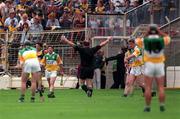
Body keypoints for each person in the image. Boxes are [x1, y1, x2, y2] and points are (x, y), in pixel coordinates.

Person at [136, 24, 171, 112]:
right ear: (157, 31)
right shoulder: (161, 39)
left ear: (149, 31)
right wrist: (160, 32)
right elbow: (168, 38)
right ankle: (162, 105)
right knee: (161, 87)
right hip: (159, 64)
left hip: (149, 64)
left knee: (148, 87)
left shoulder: (145, 40)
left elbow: (137, 41)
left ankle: (148, 107)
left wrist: (146, 33)